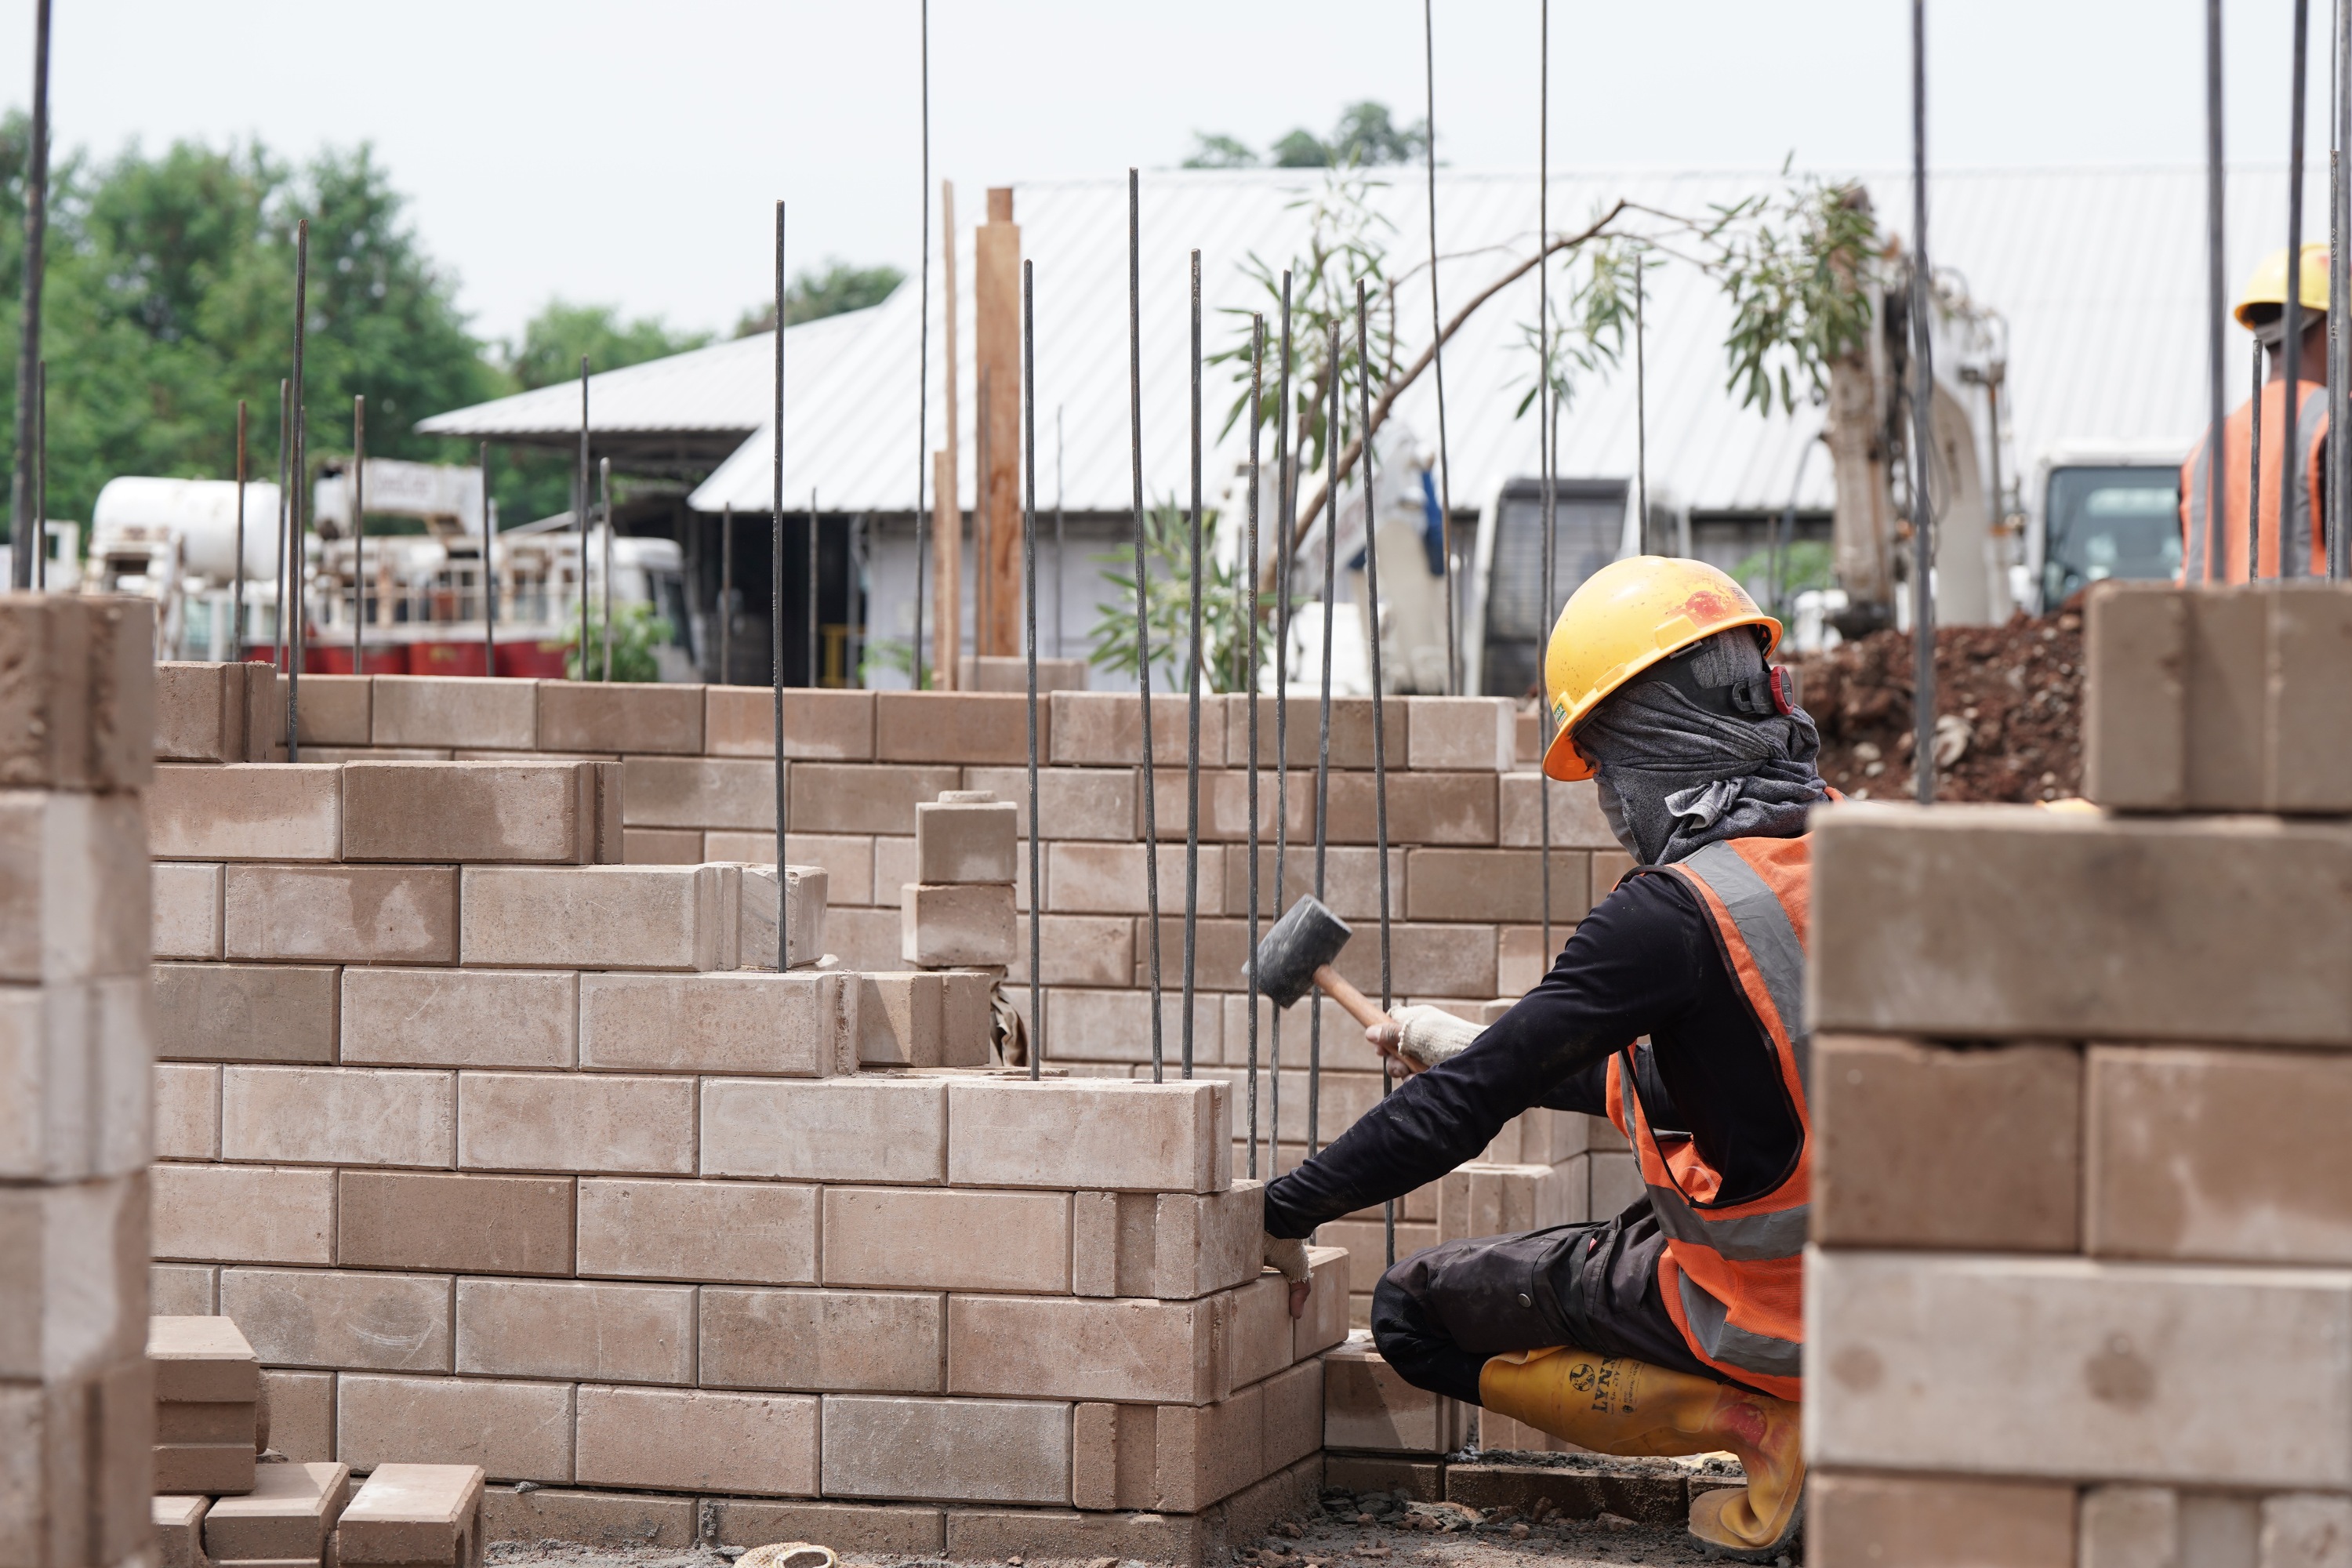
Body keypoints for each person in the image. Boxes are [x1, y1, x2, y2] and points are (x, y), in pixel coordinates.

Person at [1259, 556, 1824, 1563]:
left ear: (1652, 738)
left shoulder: (1671, 914)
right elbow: (1731, 1075)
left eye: (1604, 764)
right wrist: (1465, 1043)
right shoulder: (1865, 850)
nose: (1608, 794)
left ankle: (1765, 1429)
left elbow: (1463, 1112)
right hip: (1897, 1297)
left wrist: (1284, 1211)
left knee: (1409, 1312)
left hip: (1771, 1310)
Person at [2180, 241, 2332, 581]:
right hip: (2312, 618)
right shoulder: (2335, 424)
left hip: (2215, 618)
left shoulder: (2209, 444)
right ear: (2333, 327)